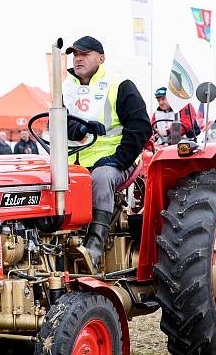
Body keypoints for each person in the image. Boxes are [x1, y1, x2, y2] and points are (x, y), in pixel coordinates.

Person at [62, 36, 152, 268]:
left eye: (85, 54)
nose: (78, 59)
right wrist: (78, 127)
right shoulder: (66, 88)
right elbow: (56, 125)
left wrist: (118, 160)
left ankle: (94, 245)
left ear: (101, 58)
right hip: (75, 162)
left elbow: (140, 126)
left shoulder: (119, 85)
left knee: (101, 177)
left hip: (116, 160)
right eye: (75, 55)